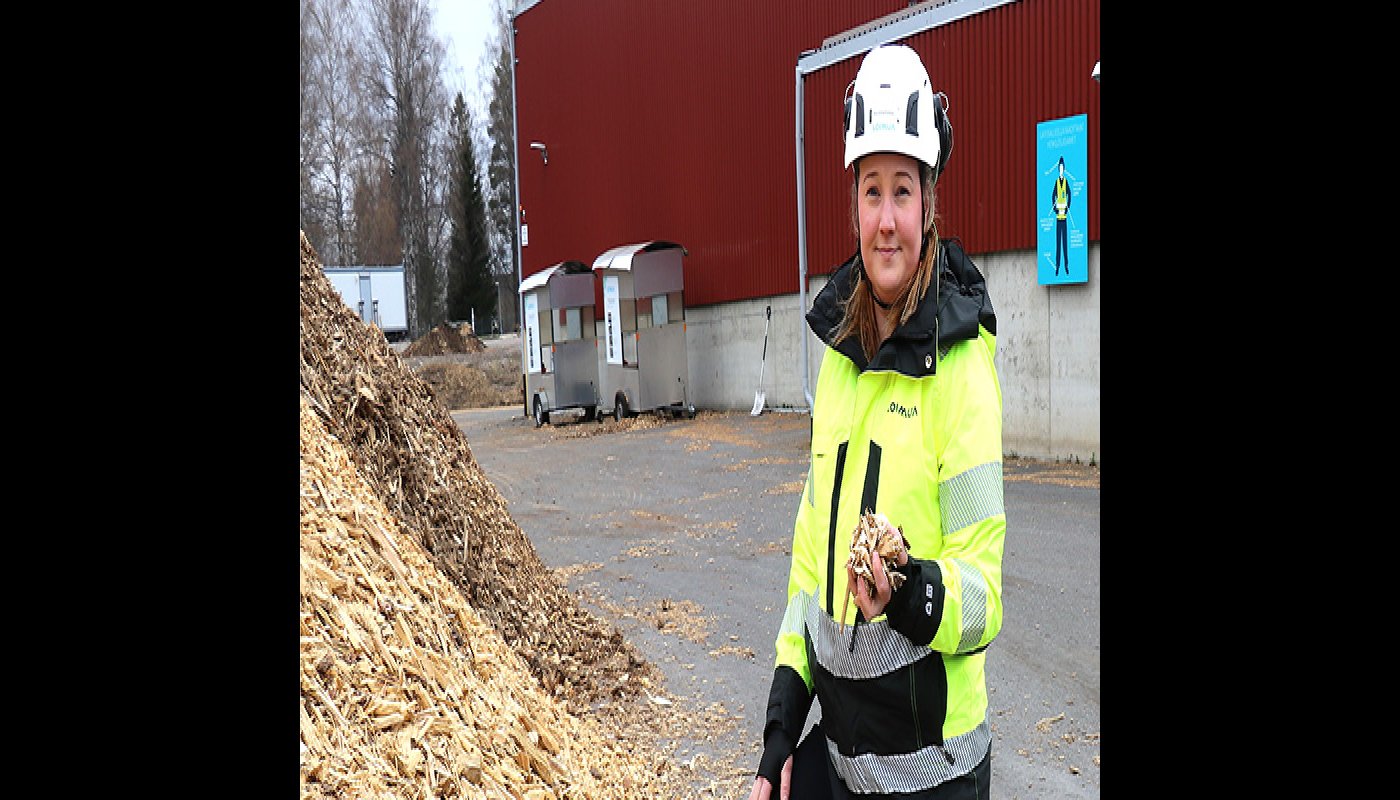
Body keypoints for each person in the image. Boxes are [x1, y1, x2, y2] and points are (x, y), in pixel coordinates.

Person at [747, 43, 1005, 800]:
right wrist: (779, 739)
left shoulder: (960, 367)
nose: (885, 221)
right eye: (870, 192)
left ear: (929, 202)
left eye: (902, 191)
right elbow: (807, 574)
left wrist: (910, 591)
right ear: (853, 203)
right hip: (843, 763)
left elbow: (984, 597)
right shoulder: (840, 361)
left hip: (936, 774)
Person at [1050, 156, 1071, 275]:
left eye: (1063, 168)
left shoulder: (1066, 182)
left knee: (1065, 243)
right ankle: (1057, 266)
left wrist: (1067, 208)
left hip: (1065, 217)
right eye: (1060, 168)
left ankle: (1066, 266)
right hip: (1058, 217)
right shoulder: (1057, 182)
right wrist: (1056, 209)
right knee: (1058, 243)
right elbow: (1052, 196)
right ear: (1058, 169)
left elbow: (1070, 194)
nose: (1061, 170)